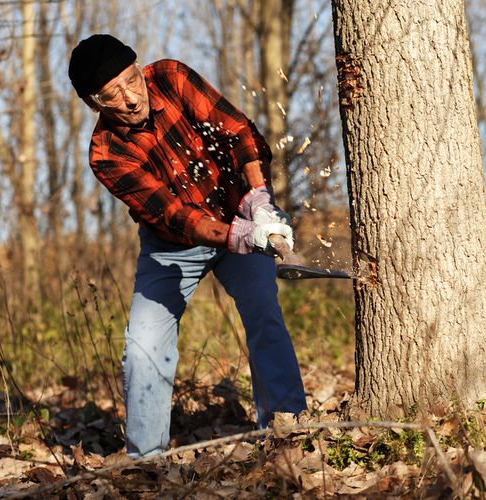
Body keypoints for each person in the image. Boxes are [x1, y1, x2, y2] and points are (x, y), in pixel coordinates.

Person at [68, 34, 307, 458]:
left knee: (264, 312)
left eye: (131, 80)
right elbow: (173, 216)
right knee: (144, 346)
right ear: (95, 104)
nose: (129, 98)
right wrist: (238, 237)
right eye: (112, 95)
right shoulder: (105, 154)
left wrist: (260, 201)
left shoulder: (171, 77)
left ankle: (287, 429)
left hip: (239, 211)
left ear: (139, 69)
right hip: (171, 246)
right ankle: (146, 461)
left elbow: (237, 131)